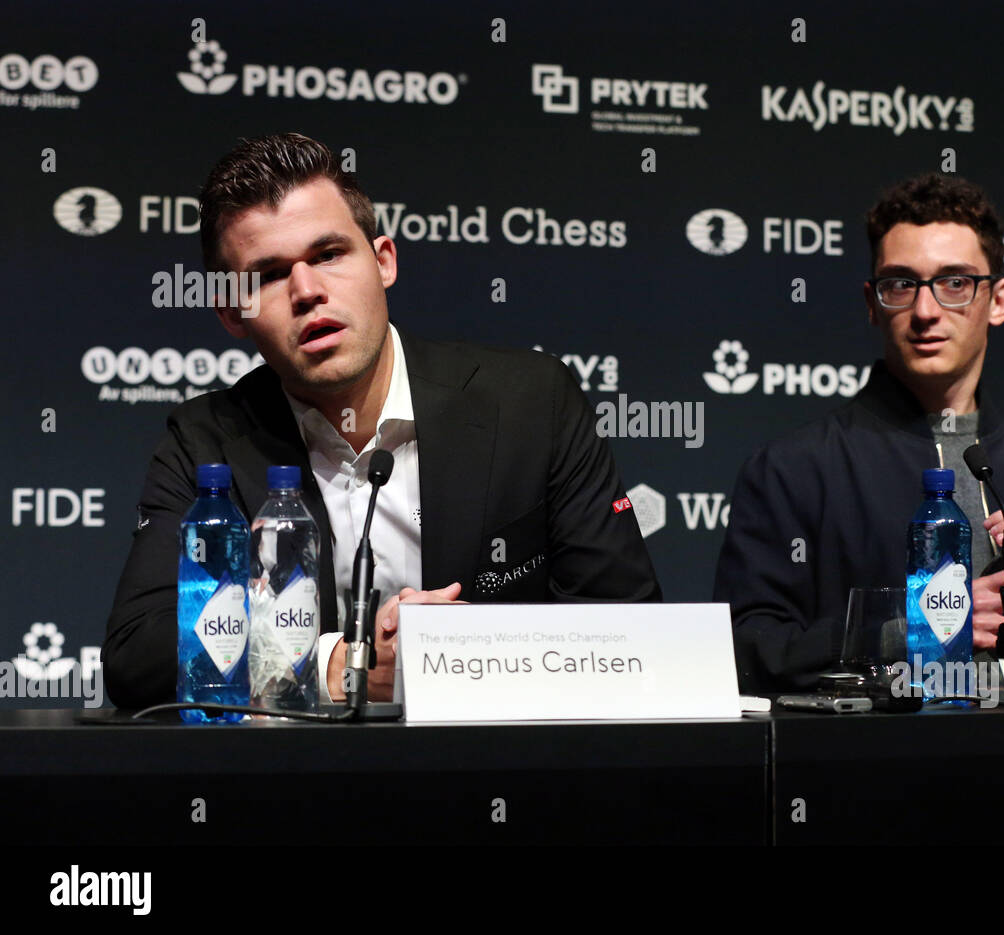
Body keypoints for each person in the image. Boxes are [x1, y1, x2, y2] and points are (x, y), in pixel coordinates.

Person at [104, 132, 661, 709]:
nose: (307, 291)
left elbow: (631, 626)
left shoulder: (531, 401)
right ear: (231, 312)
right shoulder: (205, 441)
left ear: (383, 260)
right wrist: (337, 667)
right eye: (268, 275)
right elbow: (135, 656)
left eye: (329, 255)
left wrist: (465, 655)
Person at [714, 173, 1004, 693]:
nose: (926, 312)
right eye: (901, 284)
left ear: (998, 300)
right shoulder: (793, 470)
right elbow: (743, 648)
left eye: (955, 283)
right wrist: (900, 634)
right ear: (873, 303)